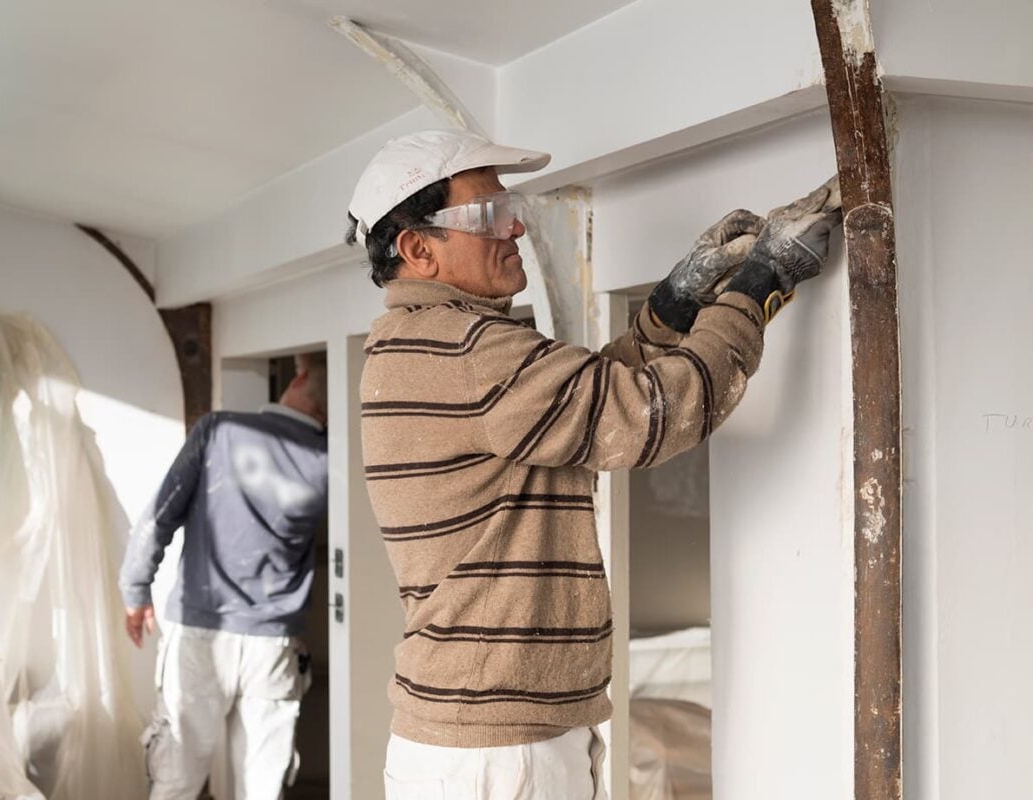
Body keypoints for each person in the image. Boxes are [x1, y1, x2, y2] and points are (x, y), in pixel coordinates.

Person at [346, 129, 840, 799]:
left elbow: (577, 398)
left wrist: (674, 304)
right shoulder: (468, 348)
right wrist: (759, 288)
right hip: (499, 747)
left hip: (473, 734)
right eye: (488, 215)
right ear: (418, 249)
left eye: (508, 205)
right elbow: (649, 413)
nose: (514, 225)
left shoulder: (414, 344)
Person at [119, 353, 329, 800]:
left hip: (200, 632)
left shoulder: (220, 431)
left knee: (176, 776)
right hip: (272, 644)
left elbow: (160, 515)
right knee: (261, 784)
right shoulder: (328, 462)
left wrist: (136, 589)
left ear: (301, 373)